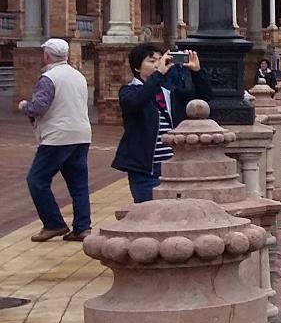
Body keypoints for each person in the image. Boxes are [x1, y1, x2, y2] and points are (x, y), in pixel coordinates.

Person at [113, 42, 211, 203]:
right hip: (146, 170)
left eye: (160, 59)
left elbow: (204, 97)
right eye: (152, 61)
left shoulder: (170, 93)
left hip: (173, 168)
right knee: (149, 214)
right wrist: (159, 75)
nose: (158, 64)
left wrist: (196, 71)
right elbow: (138, 100)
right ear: (137, 67)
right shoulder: (129, 91)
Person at [18, 38, 91, 242]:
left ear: (47, 55)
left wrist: (25, 106)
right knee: (78, 183)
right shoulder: (78, 76)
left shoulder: (49, 78)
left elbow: (38, 107)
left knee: (37, 179)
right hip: (82, 134)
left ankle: (53, 223)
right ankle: (82, 227)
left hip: (57, 136)